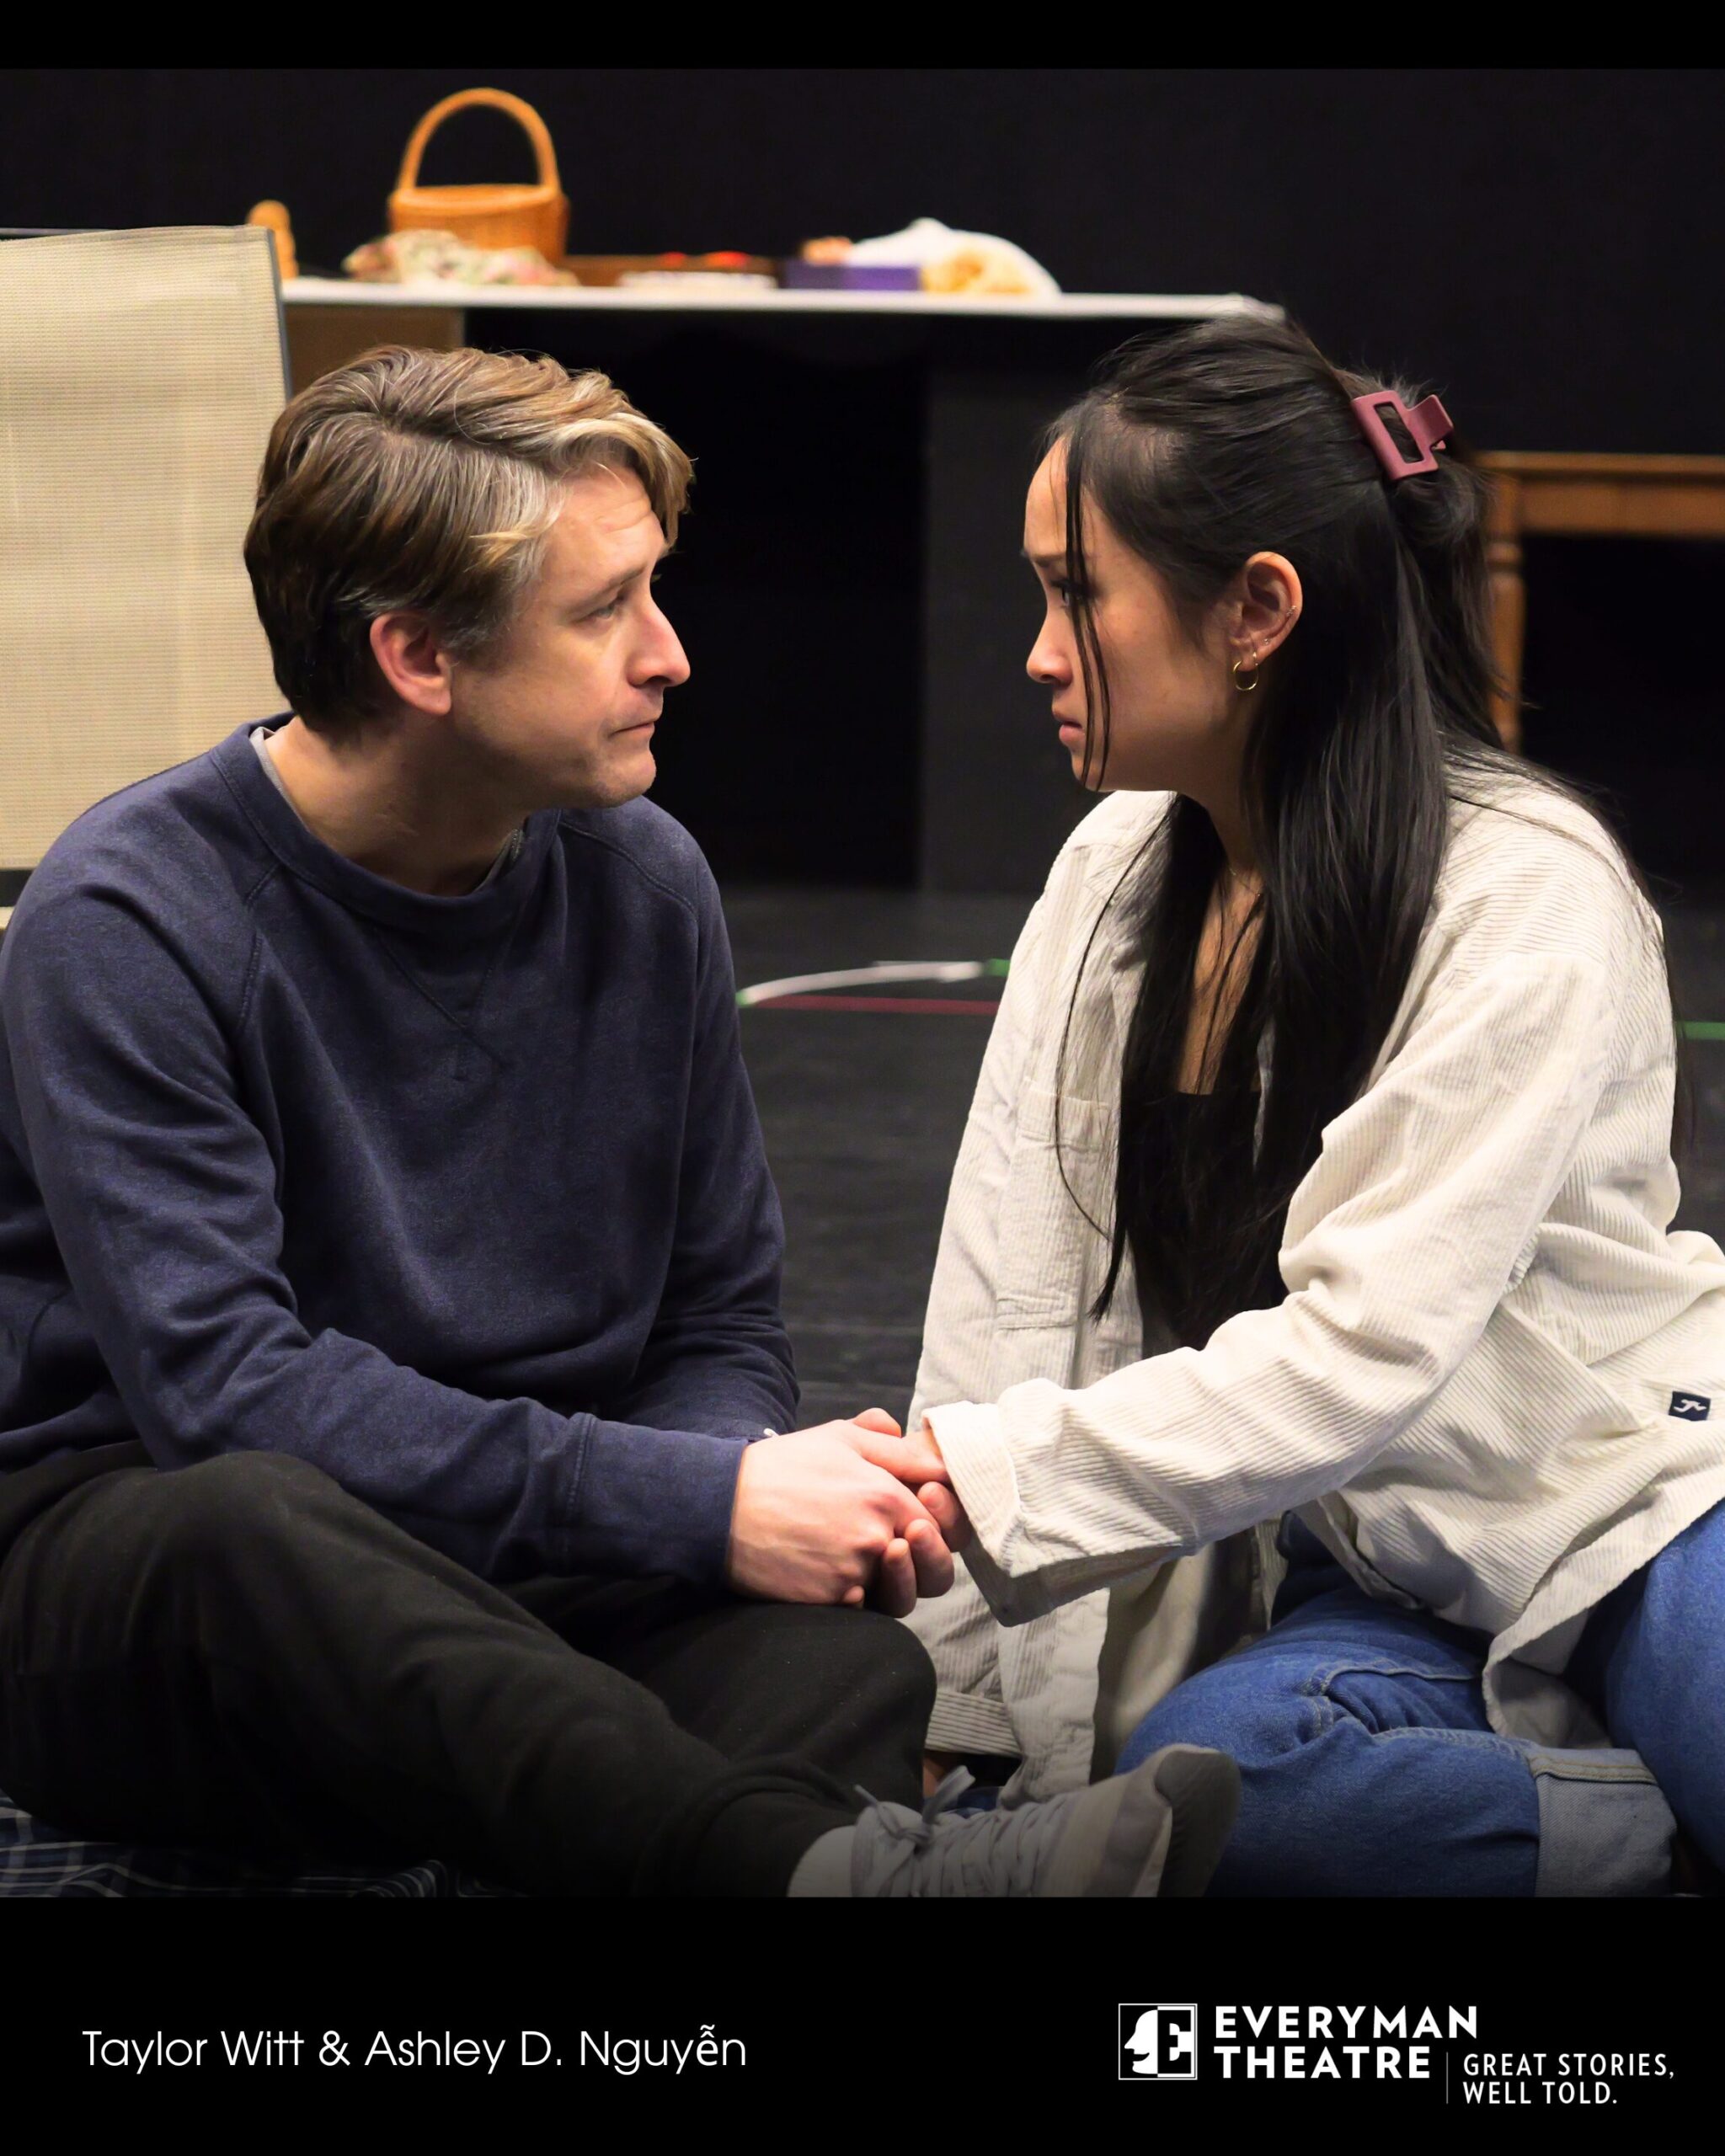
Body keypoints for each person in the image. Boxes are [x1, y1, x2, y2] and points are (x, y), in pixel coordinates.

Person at [0, 344, 1239, 1898]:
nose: (672, 655)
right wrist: (698, 1503)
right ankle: (821, 1874)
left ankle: (712, 1849)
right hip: (178, 1586)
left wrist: (742, 1504)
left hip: (530, 1563)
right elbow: (229, 1398)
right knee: (254, 1530)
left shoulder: (644, 880)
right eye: (605, 611)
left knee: (843, 1662)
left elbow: (717, 1320)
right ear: (417, 657)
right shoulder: (131, 916)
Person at [877, 317, 1725, 1895]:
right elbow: (1006, 1288)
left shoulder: (1524, 891)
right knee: (1219, 1791)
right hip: (1394, 1578)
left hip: (1647, 1520)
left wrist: (977, 1482)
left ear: (1258, 611)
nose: (1040, 652)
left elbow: (1356, 1352)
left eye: (1078, 594)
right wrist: (960, 1694)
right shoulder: (1113, 873)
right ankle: (1648, 1834)